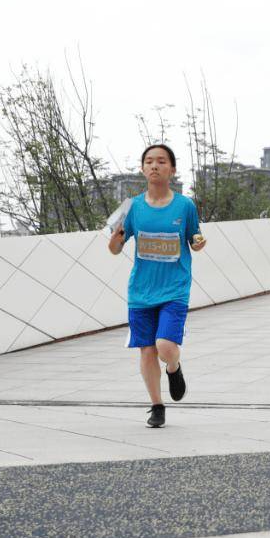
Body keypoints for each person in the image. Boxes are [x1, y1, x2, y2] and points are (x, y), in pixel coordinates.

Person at [108, 143, 206, 427]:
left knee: (164, 346)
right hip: (140, 291)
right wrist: (115, 238)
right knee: (147, 350)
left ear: (172, 169)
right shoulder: (132, 207)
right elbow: (115, 248)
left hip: (175, 289)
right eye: (149, 161)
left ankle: (174, 367)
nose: (154, 166)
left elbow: (194, 239)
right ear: (142, 169)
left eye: (161, 161)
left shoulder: (185, 206)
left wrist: (199, 243)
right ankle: (157, 405)